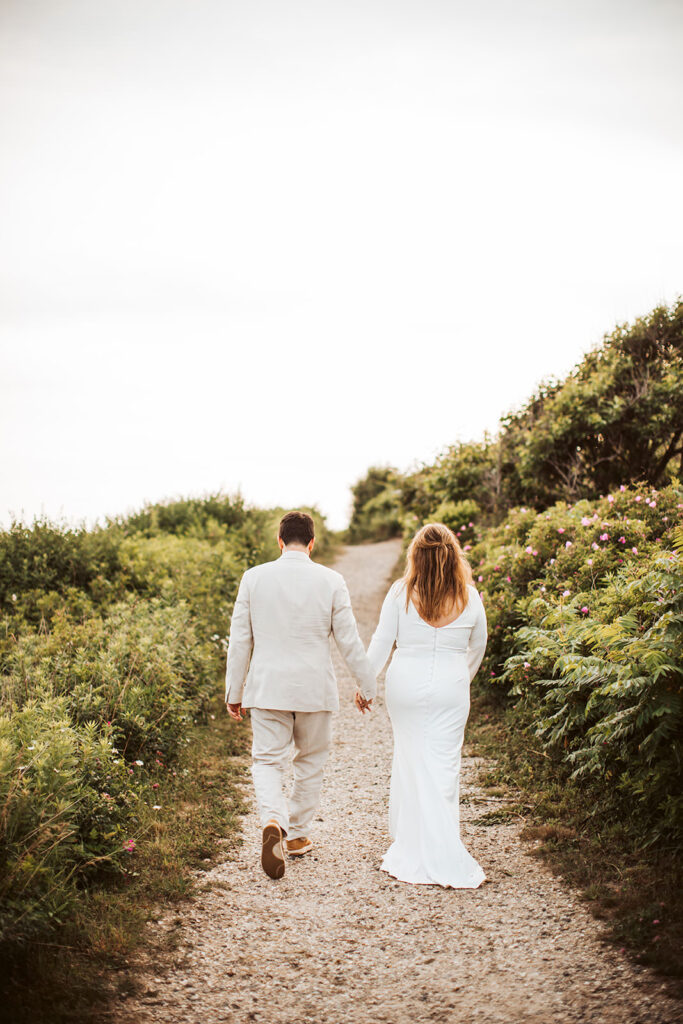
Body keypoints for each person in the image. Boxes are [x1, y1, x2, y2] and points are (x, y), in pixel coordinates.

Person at [224, 510, 376, 880]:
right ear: (312, 543)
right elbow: (348, 640)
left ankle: (273, 820)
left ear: (279, 541)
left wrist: (234, 689)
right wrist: (367, 685)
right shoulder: (331, 580)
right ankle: (297, 836)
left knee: (267, 762)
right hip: (314, 690)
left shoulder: (254, 578)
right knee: (310, 762)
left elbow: (240, 639)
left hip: (267, 688)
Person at [364, 522, 488, 888]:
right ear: (454, 557)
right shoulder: (470, 596)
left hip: (405, 686)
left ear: (415, 557)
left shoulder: (401, 593)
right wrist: (459, 679)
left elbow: (381, 642)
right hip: (451, 686)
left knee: (411, 757)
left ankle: (414, 843)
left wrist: (366, 684)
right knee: (443, 766)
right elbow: (477, 647)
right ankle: (440, 844)